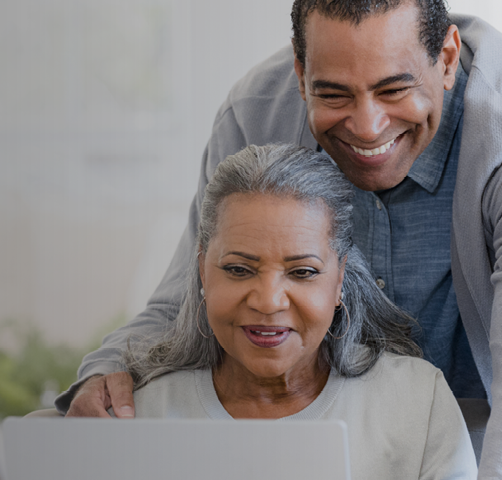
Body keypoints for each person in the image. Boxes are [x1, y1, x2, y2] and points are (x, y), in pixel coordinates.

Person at [59, 1, 502, 479]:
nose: (366, 127)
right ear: (300, 69)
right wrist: (106, 370)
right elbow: (188, 296)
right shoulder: (255, 115)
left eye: (394, 90)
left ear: (445, 59)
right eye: (333, 93)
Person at [125, 143, 477, 479]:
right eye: (238, 269)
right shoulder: (140, 411)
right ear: (203, 268)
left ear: (339, 278)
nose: (268, 301)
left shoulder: (416, 401)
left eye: (302, 272)